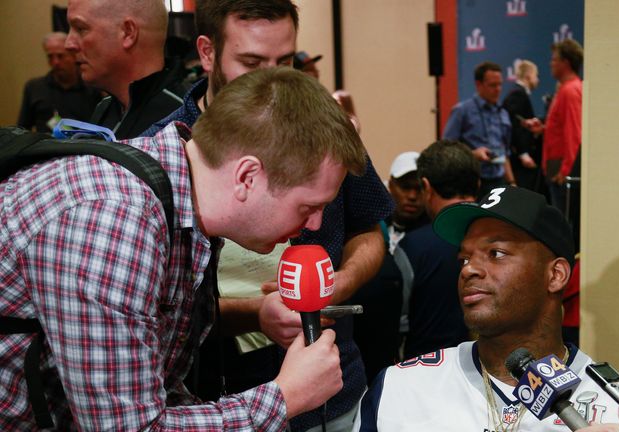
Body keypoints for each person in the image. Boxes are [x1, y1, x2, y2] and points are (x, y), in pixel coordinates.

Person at [0, 68, 365, 430]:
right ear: (246, 177)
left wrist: (256, 316)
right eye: (308, 207)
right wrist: (284, 398)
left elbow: (160, 390)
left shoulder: (178, 199)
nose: (316, 224)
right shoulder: (114, 219)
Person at [142, 1, 393, 430]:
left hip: (333, 389)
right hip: (217, 395)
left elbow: (369, 229)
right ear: (207, 52)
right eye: (252, 62)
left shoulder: (322, 129)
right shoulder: (159, 164)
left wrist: (338, 283)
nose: (271, 79)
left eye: (285, 61)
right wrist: (257, 313)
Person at [353, 186, 619, 431]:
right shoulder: (399, 387)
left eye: (496, 253)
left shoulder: (616, 411)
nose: (469, 269)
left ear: (555, 275)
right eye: (465, 258)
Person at [350, 151, 429, 384]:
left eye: (419, 189)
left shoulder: (430, 231)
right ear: (390, 185)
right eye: (405, 187)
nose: (412, 196)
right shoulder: (368, 224)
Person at [397, 140, 477, 360]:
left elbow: (398, 322)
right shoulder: (503, 236)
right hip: (489, 370)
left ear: (426, 187)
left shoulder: (412, 247)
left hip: (424, 370)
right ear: (478, 185)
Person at [65, 0, 189, 139]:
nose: (69, 44)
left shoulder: (186, 114)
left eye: (81, 29)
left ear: (128, 32)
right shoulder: (104, 110)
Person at [522, 39, 583, 238]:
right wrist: (545, 129)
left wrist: (566, 171)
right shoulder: (566, 89)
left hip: (560, 169)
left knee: (564, 229)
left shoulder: (569, 91)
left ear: (565, 62)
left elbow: (574, 132)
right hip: (557, 166)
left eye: (554, 59)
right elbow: (564, 127)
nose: (550, 63)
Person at [443, 61, 515, 198]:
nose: (498, 89)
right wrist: (474, 154)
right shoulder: (462, 111)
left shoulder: (503, 113)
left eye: (500, 84)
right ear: (479, 84)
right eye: (492, 85)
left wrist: (512, 182)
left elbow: (504, 152)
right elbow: (446, 149)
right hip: (471, 181)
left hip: (498, 181)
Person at [17, 32, 101, 132]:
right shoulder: (34, 87)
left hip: (84, 146)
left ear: (74, 56)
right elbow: (22, 128)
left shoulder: (92, 87)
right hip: (47, 146)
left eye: (60, 56)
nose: (55, 62)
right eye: (50, 57)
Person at [502, 59, 546, 195]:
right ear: (528, 76)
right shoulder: (518, 94)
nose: (537, 80)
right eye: (536, 75)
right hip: (520, 161)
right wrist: (523, 154)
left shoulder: (519, 94)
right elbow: (516, 125)